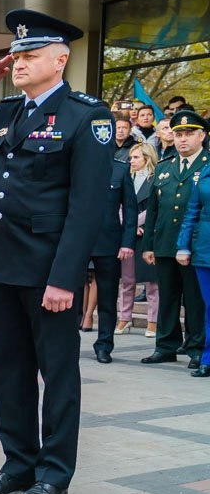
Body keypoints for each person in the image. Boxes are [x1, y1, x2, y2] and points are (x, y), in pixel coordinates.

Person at [0, 8, 113, 494]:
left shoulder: (87, 116)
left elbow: (86, 206)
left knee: (57, 373)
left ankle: (54, 473)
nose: (18, 62)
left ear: (60, 60)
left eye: (29, 54)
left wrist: (65, 278)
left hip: (48, 269)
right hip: (1, 262)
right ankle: (18, 462)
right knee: (9, 370)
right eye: (14, 55)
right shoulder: (7, 112)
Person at [140, 109, 208, 370]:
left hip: (195, 245)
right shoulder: (165, 167)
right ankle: (166, 346)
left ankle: (195, 347)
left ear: (202, 136)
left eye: (189, 133)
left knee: (194, 299)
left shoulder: (208, 165)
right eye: (178, 134)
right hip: (166, 242)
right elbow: (155, 210)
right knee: (167, 297)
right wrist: (149, 246)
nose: (182, 139)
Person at [88, 159, 137, 363]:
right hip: (78, 240)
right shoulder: (79, 162)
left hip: (109, 241)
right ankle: (67, 343)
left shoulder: (120, 168)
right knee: (69, 292)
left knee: (108, 298)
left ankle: (104, 345)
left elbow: (130, 208)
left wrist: (127, 242)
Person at [118, 143, 159, 337]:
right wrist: (127, 225)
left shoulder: (155, 180)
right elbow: (119, 204)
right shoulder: (126, 178)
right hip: (128, 235)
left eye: (136, 157)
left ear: (147, 158)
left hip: (146, 234)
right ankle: (124, 319)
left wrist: (132, 224)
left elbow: (152, 208)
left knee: (152, 283)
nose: (131, 161)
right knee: (127, 281)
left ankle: (153, 321)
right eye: (131, 158)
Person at [177, 160, 210, 377]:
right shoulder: (205, 171)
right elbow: (192, 211)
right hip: (205, 248)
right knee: (209, 307)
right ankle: (207, 359)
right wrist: (183, 245)